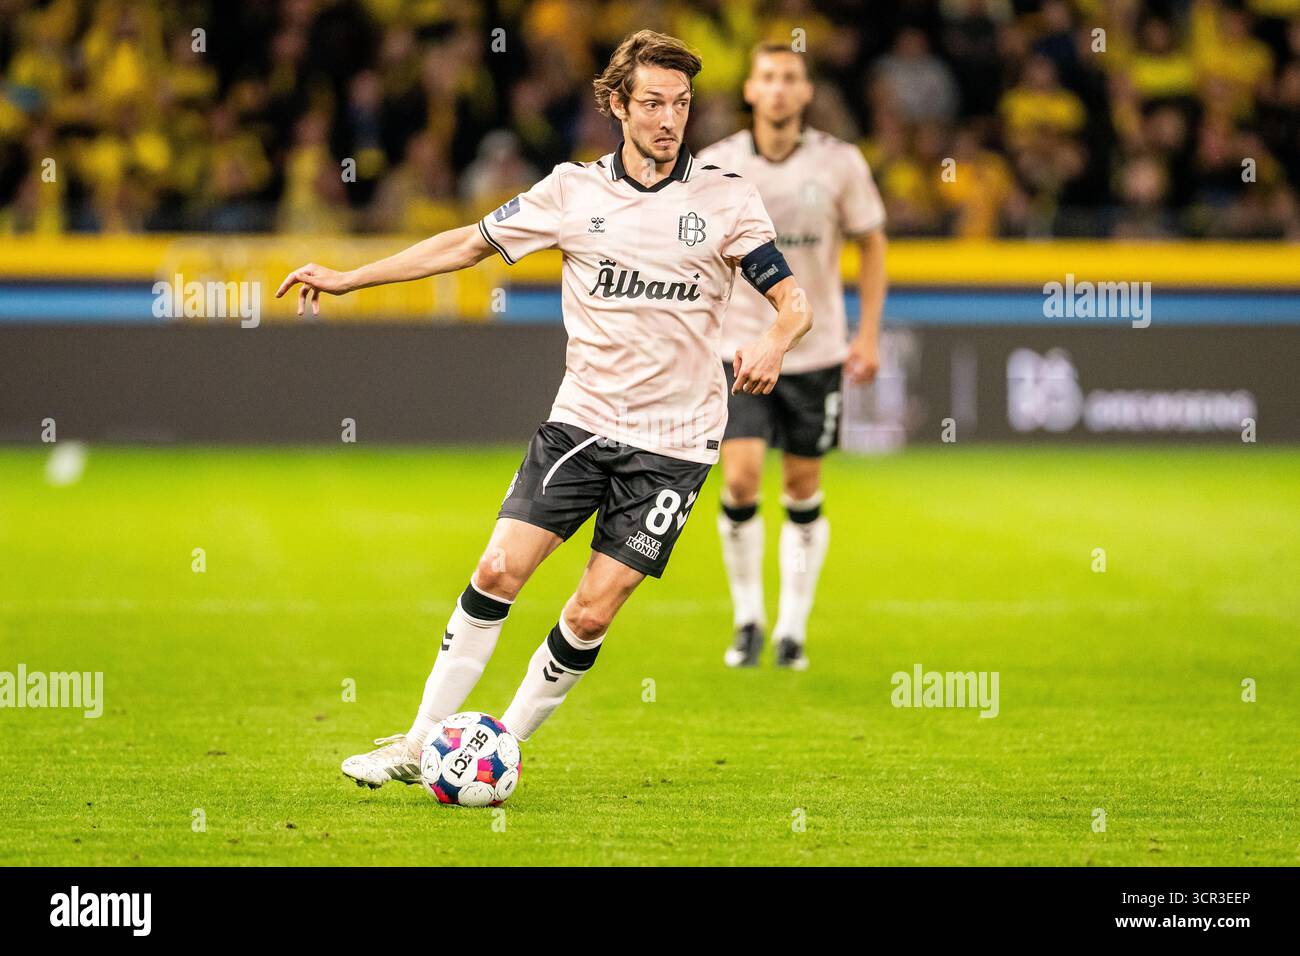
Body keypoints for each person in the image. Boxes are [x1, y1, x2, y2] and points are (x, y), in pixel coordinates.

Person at [275, 30, 812, 788]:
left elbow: (795, 302)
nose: (669, 119)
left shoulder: (724, 199)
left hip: (677, 445)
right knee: (498, 569)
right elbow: (466, 246)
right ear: (619, 105)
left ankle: (499, 751)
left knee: (591, 614)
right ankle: (419, 739)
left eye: (682, 104)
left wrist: (777, 341)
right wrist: (348, 278)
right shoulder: (572, 192)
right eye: (653, 103)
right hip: (582, 423)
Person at [698, 42, 887, 671]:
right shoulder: (716, 165)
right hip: (741, 349)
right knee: (741, 477)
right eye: (768, 78)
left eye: (791, 79)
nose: (779, 89)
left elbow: (873, 244)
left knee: (803, 488)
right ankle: (748, 617)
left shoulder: (840, 163)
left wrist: (867, 336)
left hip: (818, 348)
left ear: (806, 93)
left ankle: (792, 629)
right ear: (749, 89)